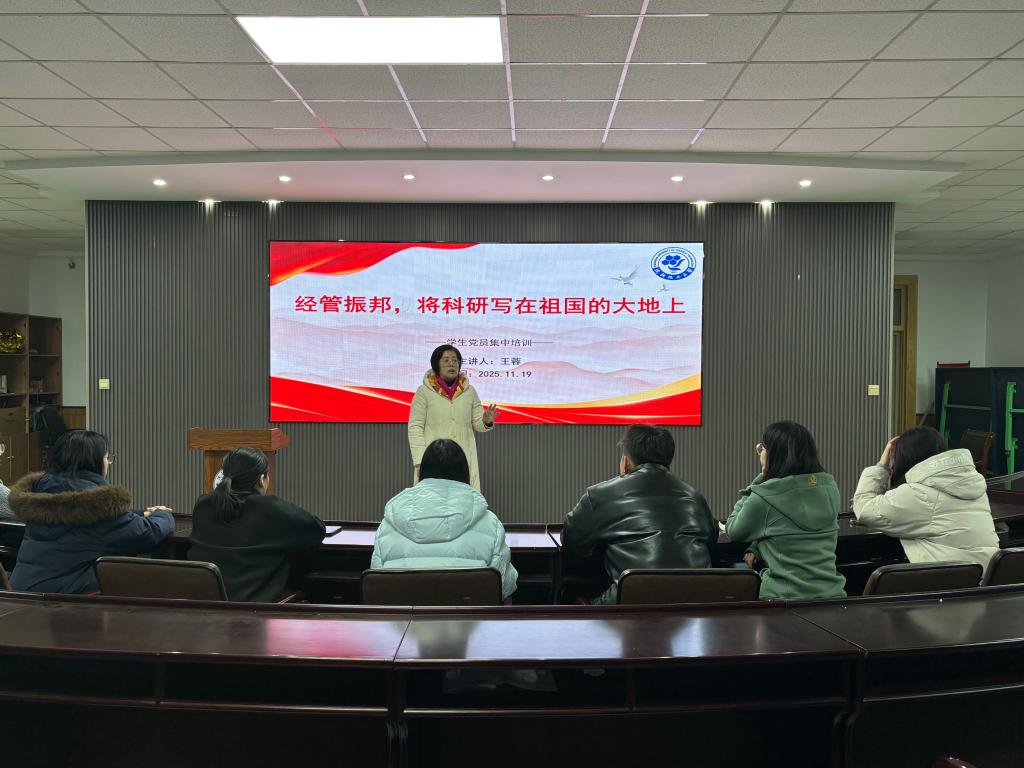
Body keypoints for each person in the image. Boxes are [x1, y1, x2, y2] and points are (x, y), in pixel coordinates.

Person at [562, 424, 718, 604]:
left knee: (573, 599)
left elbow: (572, 540)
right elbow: (711, 539)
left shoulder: (599, 495)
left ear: (626, 462)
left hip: (631, 603)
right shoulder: (695, 497)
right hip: (695, 605)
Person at [8, 429, 174, 593]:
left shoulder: (40, 493)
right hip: (64, 599)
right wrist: (163, 513)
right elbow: (147, 532)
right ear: (95, 462)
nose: (108, 463)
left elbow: (82, 519)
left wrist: (140, 513)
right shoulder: (97, 504)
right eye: (107, 458)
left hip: (20, 591)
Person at [372, 438, 517, 599]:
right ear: (465, 473)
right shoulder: (491, 524)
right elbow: (503, 586)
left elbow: (376, 587)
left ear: (421, 473)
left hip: (400, 614)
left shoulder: (388, 525)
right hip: (469, 614)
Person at [725, 421, 846, 600]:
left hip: (785, 602)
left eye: (762, 448)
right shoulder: (830, 488)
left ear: (772, 455)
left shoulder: (764, 497)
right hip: (832, 597)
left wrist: (760, 481)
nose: (760, 453)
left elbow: (733, 529)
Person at [188, 446, 326, 602]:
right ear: (261, 479)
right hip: (253, 612)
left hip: (204, 607)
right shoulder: (272, 509)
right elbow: (317, 529)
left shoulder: (203, 504)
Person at [852, 426, 998, 569]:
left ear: (905, 458)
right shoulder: (972, 483)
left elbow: (864, 508)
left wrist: (882, 466)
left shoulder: (919, 494)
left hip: (952, 580)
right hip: (987, 576)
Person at [408, 344, 497, 492]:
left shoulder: (469, 391)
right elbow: (415, 427)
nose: (452, 364)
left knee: (463, 499)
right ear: (436, 364)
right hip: (433, 458)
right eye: (446, 360)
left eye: (455, 360)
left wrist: (486, 421)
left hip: (462, 459)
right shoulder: (424, 392)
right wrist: (420, 460)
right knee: (433, 499)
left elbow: (478, 424)